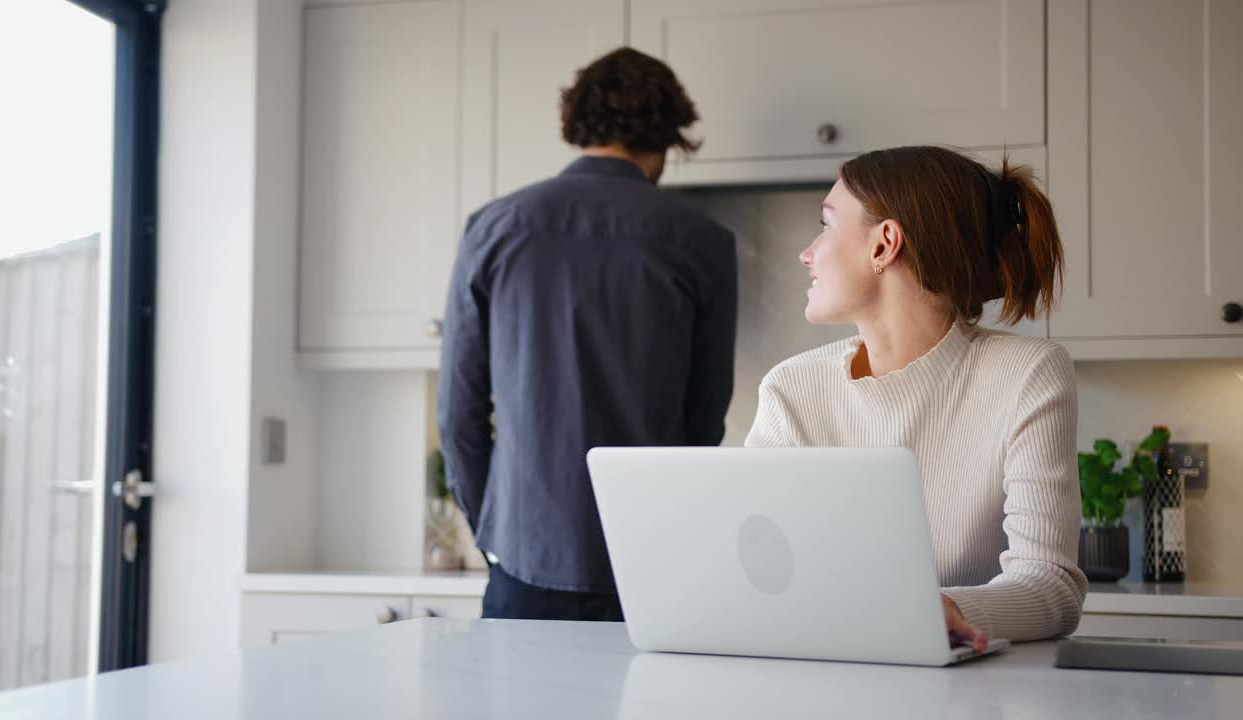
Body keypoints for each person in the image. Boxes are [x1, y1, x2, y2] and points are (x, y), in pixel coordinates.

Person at [438, 47, 737, 621]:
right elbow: (704, 419)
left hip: (523, 559)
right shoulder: (702, 241)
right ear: (669, 138)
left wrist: (496, 528)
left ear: (576, 126)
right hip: (647, 563)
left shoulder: (493, 228)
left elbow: (458, 416)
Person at [745, 146, 1087, 647]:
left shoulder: (1027, 374)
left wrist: (941, 611)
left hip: (977, 692)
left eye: (826, 224)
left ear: (884, 244)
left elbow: (1051, 586)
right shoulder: (791, 389)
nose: (806, 253)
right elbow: (757, 568)